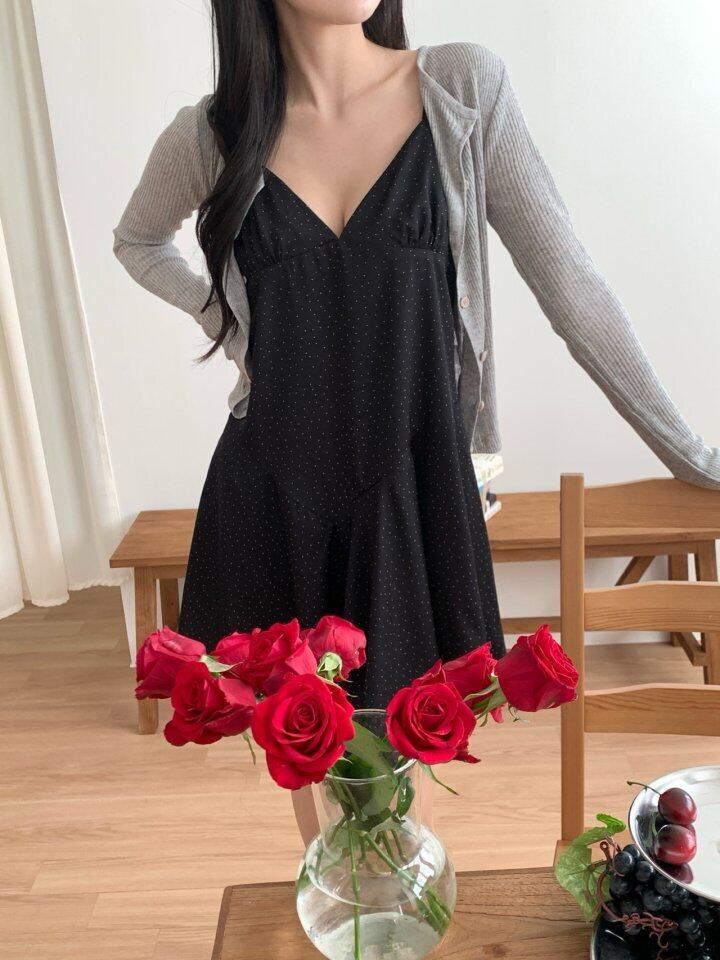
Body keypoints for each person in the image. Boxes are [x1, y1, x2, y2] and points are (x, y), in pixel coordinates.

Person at [113, 0, 719, 710]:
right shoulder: (213, 134)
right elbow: (137, 241)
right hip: (275, 490)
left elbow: (570, 285)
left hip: (416, 485)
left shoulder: (461, 89)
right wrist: (232, 321)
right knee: (303, 743)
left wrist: (691, 455)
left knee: (410, 744)